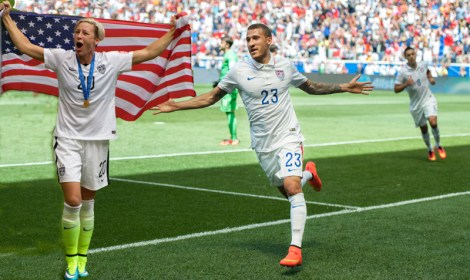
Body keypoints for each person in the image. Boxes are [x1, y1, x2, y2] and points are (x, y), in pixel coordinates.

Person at [153, 23, 373, 267]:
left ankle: (295, 250)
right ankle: (308, 173)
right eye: (247, 39)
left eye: (256, 38)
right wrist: (176, 105)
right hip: (263, 144)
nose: (251, 43)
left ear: (269, 40)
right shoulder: (239, 70)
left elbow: (311, 87)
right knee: (287, 190)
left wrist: (343, 87)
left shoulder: (285, 66)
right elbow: (211, 97)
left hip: (288, 135)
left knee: (292, 188)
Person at [1, 2, 176, 279]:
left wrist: (174, 30)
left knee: (89, 202)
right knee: (73, 201)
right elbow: (26, 47)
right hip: (68, 139)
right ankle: (71, 260)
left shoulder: (112, 61)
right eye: (76, 32)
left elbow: (149, 53)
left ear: (96, 39)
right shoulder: (61, 58)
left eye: (85, 33)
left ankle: (83, 258)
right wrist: (6, 18)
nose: (78, 37)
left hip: (98, 142)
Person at [394, 46, 446, 161]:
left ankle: (438, 145)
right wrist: (406, 84)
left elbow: (427, 71)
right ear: (405, 57)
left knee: (433, 122)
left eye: (412, 54)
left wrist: (431, 78)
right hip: (415, 105)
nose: (411, 57)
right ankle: (430, 150)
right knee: (424, 129)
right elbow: (396, 89)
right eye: (408, 55)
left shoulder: (423, 64)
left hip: (428, 99)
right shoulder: (403, 72)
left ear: (415, 54)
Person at [218, 37, 240, 145]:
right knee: (229, 112)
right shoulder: (228, 54)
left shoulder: (230, 55)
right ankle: (233, 137)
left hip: (229, 88)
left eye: (222, 42)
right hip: (226, 87)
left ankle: (234, 138)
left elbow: (232, 70)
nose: (220, 44)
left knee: (230, 112)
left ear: (227, 45)